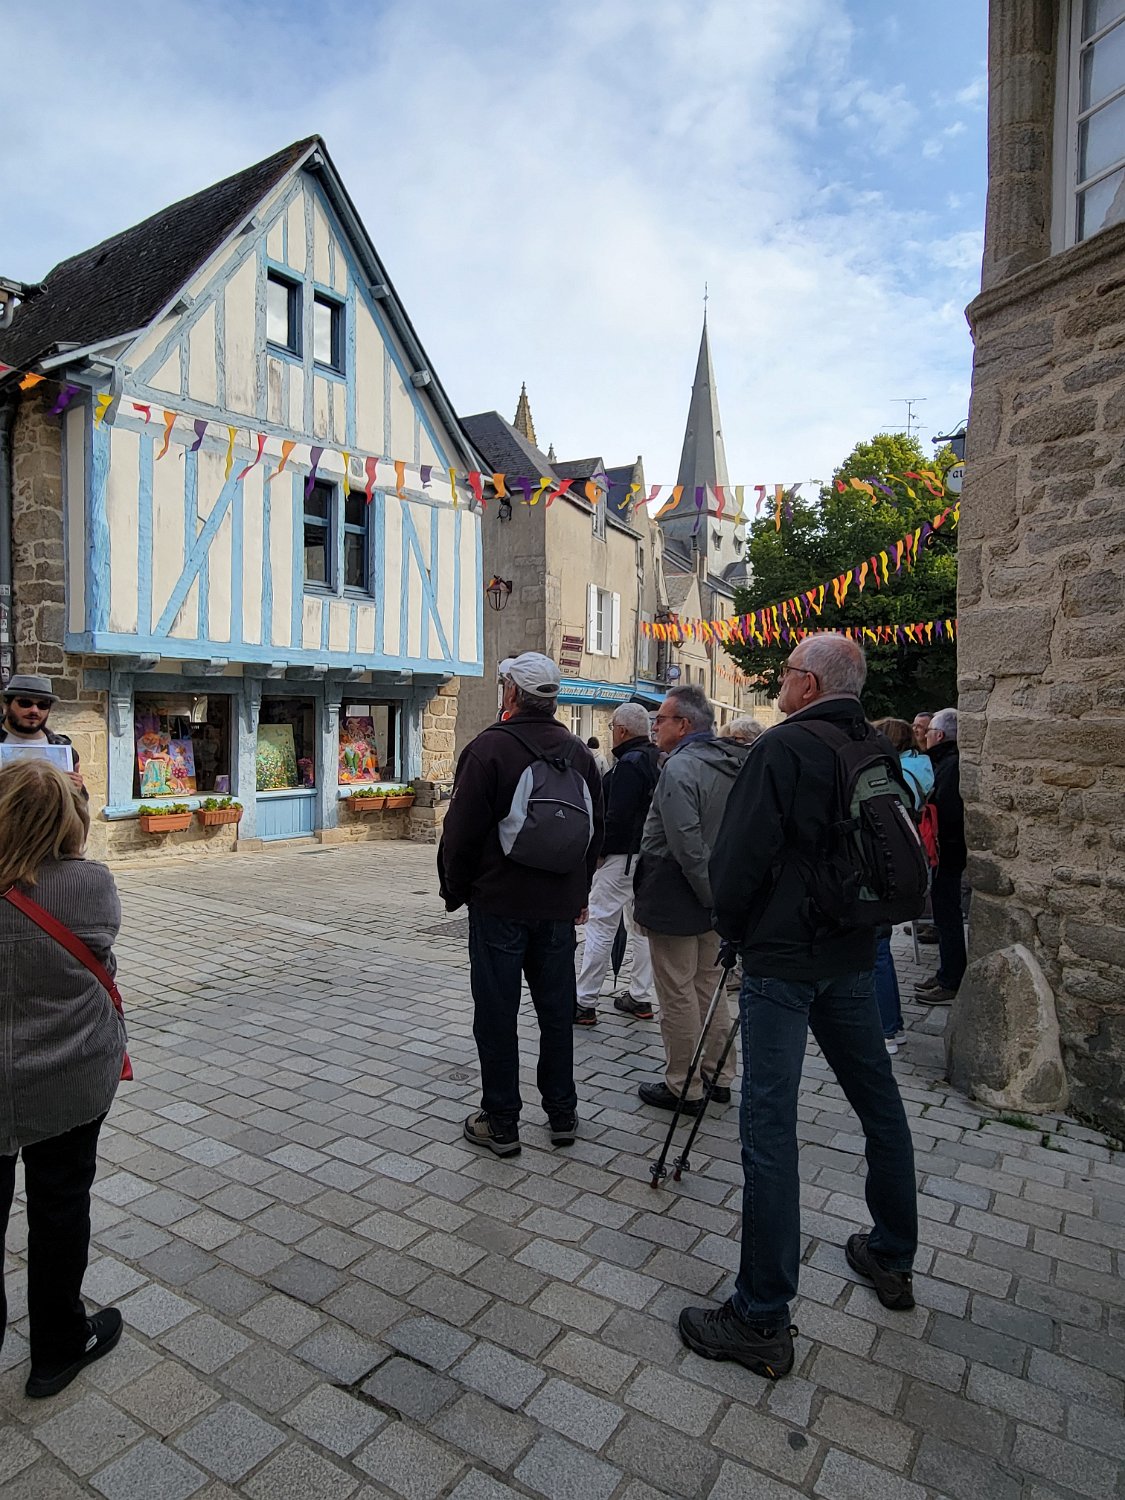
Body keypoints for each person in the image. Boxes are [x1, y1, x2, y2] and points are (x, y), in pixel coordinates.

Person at [680, 635, 918, 1379]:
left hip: (784, 958)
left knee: (769, 1128)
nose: (779, 682)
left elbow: (737, 858)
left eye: (785, 672)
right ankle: (891, 1254)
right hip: (851, 950)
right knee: (879, 1104)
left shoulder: (783, 748)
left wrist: (733, 928)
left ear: (808, 683)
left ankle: (760, 1315)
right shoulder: (872, 745)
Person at [438, 653, 604, 1156]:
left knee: (496, 1012)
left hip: (500, 904)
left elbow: (460, 833)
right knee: (555, 1013)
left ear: (512, 693)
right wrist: (578, 895)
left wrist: (456, 890)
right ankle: (562, 1112)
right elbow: (595, 832)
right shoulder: (580, 754)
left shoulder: (489, 748)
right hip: (556, 908)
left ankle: (502, 1120)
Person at [0, 759, 126, 1399]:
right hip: (67, 1075)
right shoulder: (87, 884)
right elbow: (100, 951)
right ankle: (56, 1347)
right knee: (59, 1205)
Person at [632, 684, 750, 1115]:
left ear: (683, 724)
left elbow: (685, 842)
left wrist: (709, 896)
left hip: (679, 890)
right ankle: (718, 1074)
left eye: (661, 719)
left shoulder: (681, 767)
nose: (655, 726)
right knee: (707, 985)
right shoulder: (731, 762)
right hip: (716, 887)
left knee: (678, 992)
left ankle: (684, 1084)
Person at [575, 703, 660, 1024]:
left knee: (601, 925)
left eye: (612, 728)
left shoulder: (629, 765)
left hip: (621, 859)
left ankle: (584, 1001)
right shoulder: (658, 760)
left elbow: (617, 816)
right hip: (650, 859)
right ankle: (640, 996)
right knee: (641, 929)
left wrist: (600, 852)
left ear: (622, 731)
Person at [870, 717, 934, 1054]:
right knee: (881, 950)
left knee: (878, 951)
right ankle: (891, 1026)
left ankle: (887, 1029)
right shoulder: (918, 767)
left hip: (886, 866)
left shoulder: (894, 774)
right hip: (905, 861)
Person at [916, 707, 966, 1005]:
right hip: (945, 848)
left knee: (948, 914)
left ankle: (951, 978)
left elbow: (945, 809)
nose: (925, 737)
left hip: (947, 849)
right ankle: (947, 971)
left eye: (930, 732)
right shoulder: (947, 762)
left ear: (940, 735)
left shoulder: (950, 765)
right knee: (944, 913)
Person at [0, 675, 86, 798]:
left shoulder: (62, 748)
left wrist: (78, 790)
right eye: (25, 703)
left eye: (43, 705)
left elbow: (80, 804)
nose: (34, 710)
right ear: (7, 704)